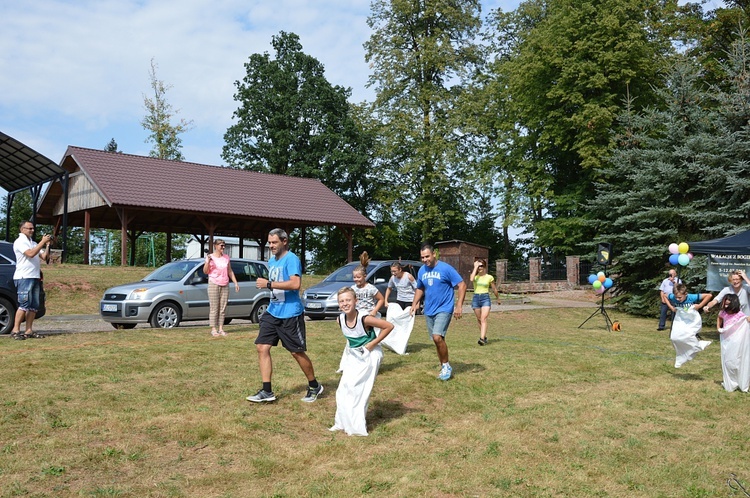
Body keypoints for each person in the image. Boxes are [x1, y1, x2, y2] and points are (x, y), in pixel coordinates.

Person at [246, 228, 323, 403]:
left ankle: (314, 386)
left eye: (274, 242)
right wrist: (269, 285)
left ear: (284, 241)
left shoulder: (291, 259)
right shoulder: (272, 261)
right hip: (273, 311)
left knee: (296, 352)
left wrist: (269, 283)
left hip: (290, 313)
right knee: (262, 347)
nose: (271, 246)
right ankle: (267, 391)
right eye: (269, 242)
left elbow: (295, 284)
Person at [329, 287, 394, 436]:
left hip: (370, 355)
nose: (345, 303)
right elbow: (351, 339)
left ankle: (356, 427)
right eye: (341, 301)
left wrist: (372, 344)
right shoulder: (340, 319)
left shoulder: (365, 318)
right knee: (343, 389)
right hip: (355, 355)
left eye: (348, 300)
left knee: (358, 390)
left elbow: (388, 326)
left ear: (355, 301)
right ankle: (341, 423)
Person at [410, 243, 467, 381]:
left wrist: (459, 305)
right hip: (429, 310)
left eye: (427, 256)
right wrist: (414, 303)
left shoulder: (445, 269)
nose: (425, 260)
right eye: (422, 257)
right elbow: (420, 288)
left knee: (437, 336)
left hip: (444, 308)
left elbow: (462, 285)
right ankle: (443, 365)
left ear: (434, 254)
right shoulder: (422, 271)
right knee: (438, 340)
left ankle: (446, 366)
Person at [11, 221, 52, 340]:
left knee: (33, 306)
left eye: (33, 228)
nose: (32, 230)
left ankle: (28, 330)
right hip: (24, 277)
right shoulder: (20, 242)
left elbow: (44, 257)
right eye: (29, 228)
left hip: (34, 276)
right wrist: (42, 242)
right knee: (24, 304)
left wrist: (47, 245)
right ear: (22, 229)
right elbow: (30, 253)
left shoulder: (32, 242)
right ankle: (15, 330)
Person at [667, 283, 712, 368]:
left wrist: (699, 306)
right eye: (676, 297)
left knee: (687, 336)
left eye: (680, 297)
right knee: (674, 338)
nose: (677, 299)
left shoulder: (691, 297)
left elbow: (709, 295)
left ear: (686, 294)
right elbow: (663, 295)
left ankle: (697, 346)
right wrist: (672, 307)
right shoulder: (673, 297)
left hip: (691, 320)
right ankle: (682, 355)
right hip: (680, 319)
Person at [202, 238, 239, 337]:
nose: (223, 247)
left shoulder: (226, 257)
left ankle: (221, 328)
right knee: (214, 307)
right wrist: (207, 261)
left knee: (223, 308)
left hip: (225, 283)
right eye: (221, 245)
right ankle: (213, 329)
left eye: (224, 245)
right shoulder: (211, 257)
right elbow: (205, 271)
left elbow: (230, 271)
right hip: (214, 283)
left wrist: (235, 283)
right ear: (215, 246)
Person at [716, 294, 750, 392]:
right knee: (727, 360)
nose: (726, 304)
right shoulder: (723, 312)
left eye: (728, 303)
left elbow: (746, 319)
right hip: (726, 340)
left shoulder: (739, 314)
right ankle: (730, 382)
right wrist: (718, 327)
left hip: (737, 341)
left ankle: (740, 382)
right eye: (725, 302)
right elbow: (719, 317)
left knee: (736, 360)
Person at [470, 258, 501, 346]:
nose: (480, 268)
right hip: (476, 298)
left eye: (481, 266)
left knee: (483, 319)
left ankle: (482, 339)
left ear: (485, 267)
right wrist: (475, 267)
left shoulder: (489, 277)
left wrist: (497, 298)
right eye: (478, 266)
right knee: (479, 319)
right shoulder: (475, 277)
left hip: (485, 298)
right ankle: (484, 336)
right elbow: (471, 279)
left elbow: (494, 289)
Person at [351, 251, 385, 317]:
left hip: (369, 315)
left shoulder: (371, 288)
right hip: (357, 315)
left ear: (365, 276)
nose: (356, 279)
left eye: (358, 277)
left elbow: (381, 299)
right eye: (354, 277)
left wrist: (375, 310)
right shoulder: (353, 288)